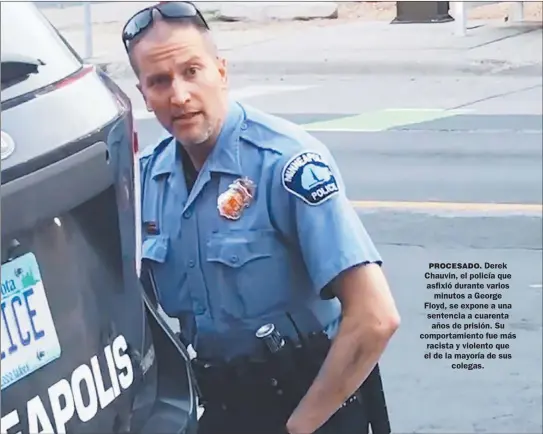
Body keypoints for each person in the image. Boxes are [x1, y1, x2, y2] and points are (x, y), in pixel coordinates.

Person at [122, 2, 401, 433]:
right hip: (221, 408)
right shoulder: (148, 181)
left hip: (312, 406)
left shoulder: (285, 163)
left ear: (221, 72)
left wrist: (299, 427)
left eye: (192, 71)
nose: (179, 95)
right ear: (143, 94)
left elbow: (374, 316)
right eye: (160, 81)